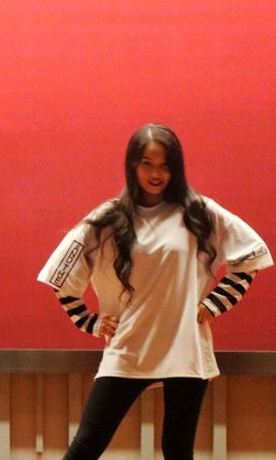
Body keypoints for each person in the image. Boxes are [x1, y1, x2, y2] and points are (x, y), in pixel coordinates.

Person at [38, 124, 271, 459]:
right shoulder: (109, 218)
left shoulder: (199, 212)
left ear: (176, 168)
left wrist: (215, 304)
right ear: (133, 165)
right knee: (86, 446)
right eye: (147, 164)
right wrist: (89, 321)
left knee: (177, 450)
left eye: (165, 165)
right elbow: (61, 274)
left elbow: (251, 256)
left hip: (185, 349)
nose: (156, 174)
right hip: (129, 349)